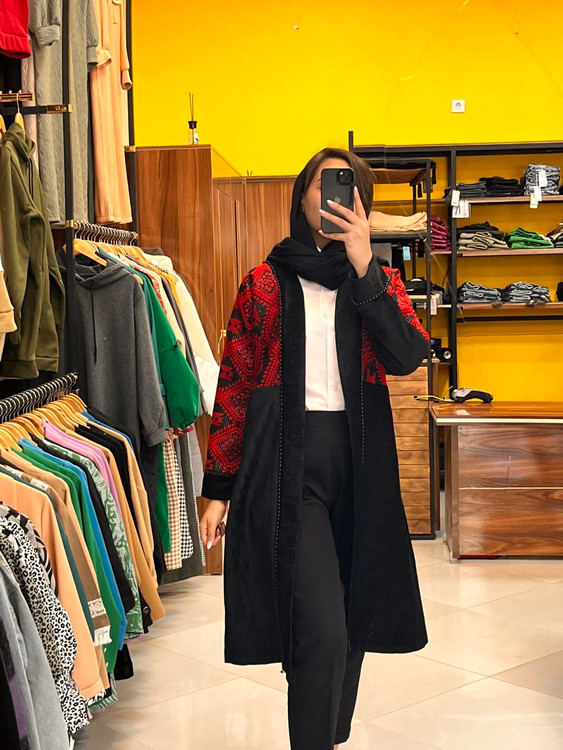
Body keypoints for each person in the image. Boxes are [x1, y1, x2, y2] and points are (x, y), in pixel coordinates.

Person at [200, 147, 429, 750]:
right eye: (323, 185)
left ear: (362, 204)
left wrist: (366, 267)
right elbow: (234, 385)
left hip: (361, 466)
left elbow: (408, 355)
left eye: (347, 188)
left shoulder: (378, 281)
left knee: (353, 619)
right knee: (320, 630)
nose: (333, 198)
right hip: (287, 466)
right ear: (302, 196)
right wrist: (219, 487)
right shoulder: (263, 283)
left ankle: (328, 734)